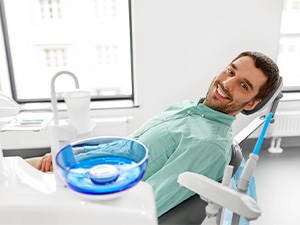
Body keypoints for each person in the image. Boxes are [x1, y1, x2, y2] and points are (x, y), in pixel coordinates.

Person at [30, 51, 280, 217]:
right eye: (231, 71)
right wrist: (73, 154)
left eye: (244, 85)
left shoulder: (209, 145)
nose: (228, 83)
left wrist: (82, 208)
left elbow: (150, 203)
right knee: (10, 169)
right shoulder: (186, 108)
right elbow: (126, 147)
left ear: (250, 103)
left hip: (95, 202)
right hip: (86, 171)